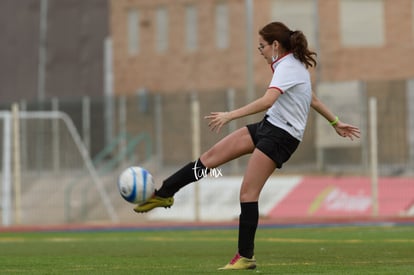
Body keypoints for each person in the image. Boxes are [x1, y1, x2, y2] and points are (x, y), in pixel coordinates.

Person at [134, 21, 361, 270]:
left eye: (261, 46)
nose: (260, 51)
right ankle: (165, 194)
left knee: (248, 193)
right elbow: (313, 99)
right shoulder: (290, 66)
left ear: (275, 45)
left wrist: (230, 115)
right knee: (209, 159)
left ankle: (245, 256)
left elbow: (268, 100)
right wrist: (336, 122)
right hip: (269, 126)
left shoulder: (288, 66)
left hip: (281, 137)